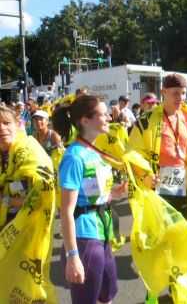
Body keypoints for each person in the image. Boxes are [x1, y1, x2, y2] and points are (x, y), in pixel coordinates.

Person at [54, 95, 127, 304]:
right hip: (85, 237)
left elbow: (90, 195)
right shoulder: (74, 157)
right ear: (85, 120)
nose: (108, 118)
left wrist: (113, 193)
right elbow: (67, 211)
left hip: (103, 233)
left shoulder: (93, 151)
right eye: (103, 114)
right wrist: (72, 256)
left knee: (107, 295)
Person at [130, 74, 187, 303]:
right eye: (176, 93)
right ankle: (152, 294)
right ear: (163, 93)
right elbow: (133, 152)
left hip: (182, 189)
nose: (181, 97)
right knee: (157, 245)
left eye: (184, 93)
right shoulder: (146, 121)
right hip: (158, 191)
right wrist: (146, 175)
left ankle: (179, 291)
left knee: (178, 243)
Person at [0, 105, 57, 302]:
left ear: (18, 126)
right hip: (6, 231)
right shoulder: (5, 155)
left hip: (26, 234)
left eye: (6, 123)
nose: (2, 128)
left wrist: (5, 200)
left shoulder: (29, 153)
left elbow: (35, 196)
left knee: (27, 289)